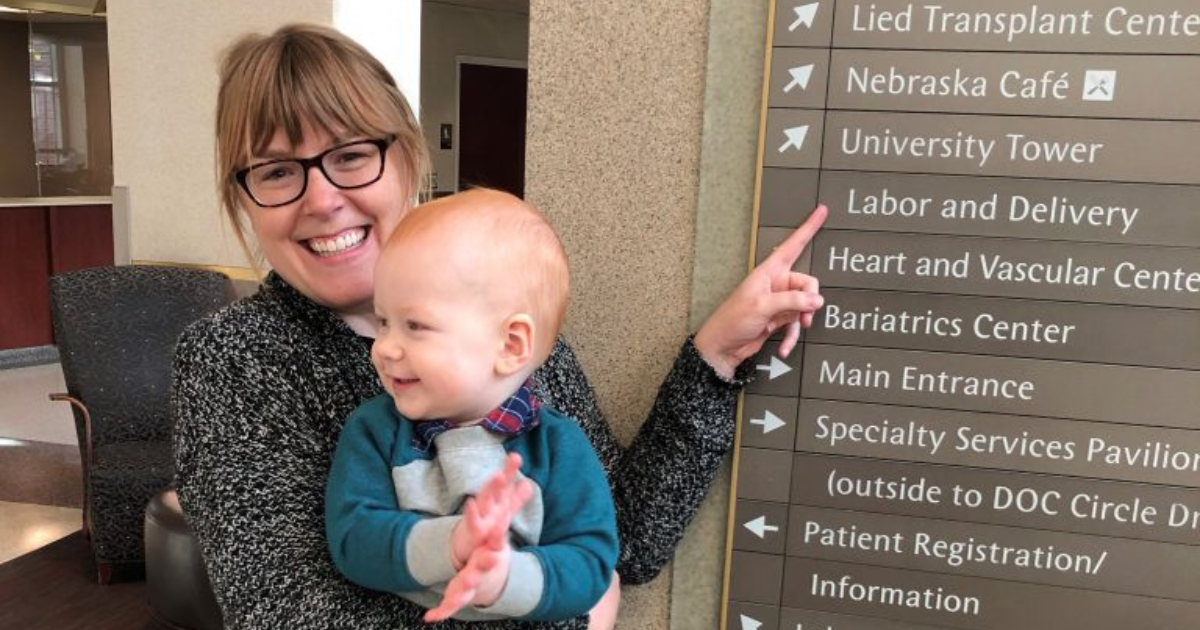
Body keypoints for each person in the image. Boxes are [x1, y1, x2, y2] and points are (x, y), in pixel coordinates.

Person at [171, 23, 826, 630]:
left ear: (405, 155)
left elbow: (617, 539)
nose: (321, 199)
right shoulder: (233, 357)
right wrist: (574, 615)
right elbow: (287, 615)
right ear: (244, 198)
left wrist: (712, 358)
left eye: (349, 155)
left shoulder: (496, 316)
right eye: (278, 171)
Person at [325, 190, 619, 624]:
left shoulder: (558, 447)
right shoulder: (375, 430)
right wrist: (451, 544)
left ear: (510, 345)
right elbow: (353, 539)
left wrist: (503, 580)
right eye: (383, 321)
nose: (384, 348)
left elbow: (591, 564)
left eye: (415, 326)